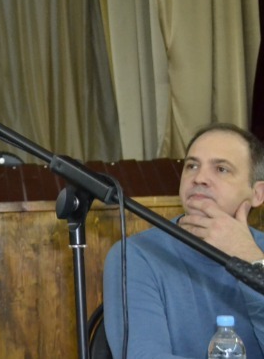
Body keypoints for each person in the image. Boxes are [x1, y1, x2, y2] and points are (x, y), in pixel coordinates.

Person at [103, 123, 264, 358]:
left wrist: (251, 258)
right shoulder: (135, 256)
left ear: (257, 194)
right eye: (192, 166)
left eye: (221, 169)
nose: (199, 178)